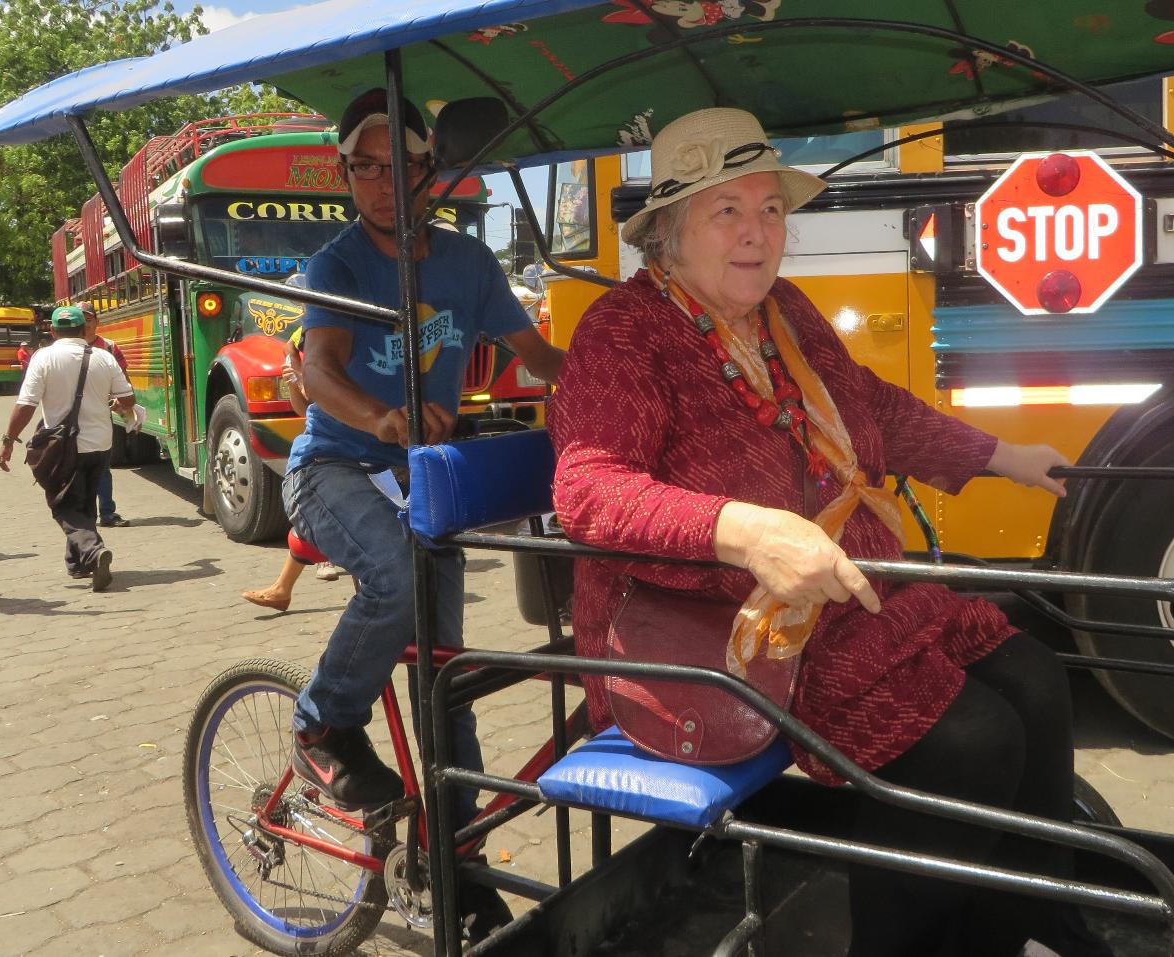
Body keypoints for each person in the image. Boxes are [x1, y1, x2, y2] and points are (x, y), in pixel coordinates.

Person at [548, 108, 1107, 957]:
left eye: (770, 209)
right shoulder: (624, 331)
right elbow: (588, 492)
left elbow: (872, 407)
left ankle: (1024, 919)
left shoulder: (785, 312)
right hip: (715, 627)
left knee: (1032, 673)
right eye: (725, 210)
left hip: (838, 588)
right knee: (968, 740)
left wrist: (1000, 453)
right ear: (666, 231)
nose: (756, 233)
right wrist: (744, 531)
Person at [283, 88, 564, 938]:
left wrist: (629, 380)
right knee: (396, 588)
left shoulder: (469, 264)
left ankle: (458, 863)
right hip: (334, 463)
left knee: (452, 682)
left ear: (426, 168)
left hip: (424, 480)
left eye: (393, 164)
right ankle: (323, 723)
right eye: (359, 167)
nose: (375, 182)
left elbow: (541, 357)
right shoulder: (338, 265)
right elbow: (316, 371)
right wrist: (383, 417)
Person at [0, 304, 136, 591]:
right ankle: (79, 563)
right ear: (83, 328)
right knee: (85, 504)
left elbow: (26, 404)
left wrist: (9, 439)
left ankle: (94, 551)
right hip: (100, 444)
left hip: (63, 446)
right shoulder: (103, 357)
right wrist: (112, 403)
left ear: (52, 330)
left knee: (62, 504)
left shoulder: (43, 357)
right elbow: (128, 398)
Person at [242, 328, 323, 612]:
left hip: (343, 450)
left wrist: (300, 373)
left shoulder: (334, 347)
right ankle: (282, 588)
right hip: (324, 446)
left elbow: (316, 398)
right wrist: (293, 377)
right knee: (311, 520)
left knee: (315, 516)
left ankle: (285, 586)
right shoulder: (309, 343)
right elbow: (306, 408)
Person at [81, 303, 130, 527]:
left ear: (97, 321)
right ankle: (82, 515)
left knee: (102, 466)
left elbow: (124, 382)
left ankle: (107, 513)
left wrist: (124, 405)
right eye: (79, 319)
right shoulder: (63, 348)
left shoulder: (109, 347)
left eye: (88, 318)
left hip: (101, 416)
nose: (84, 323)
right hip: (68, 418)